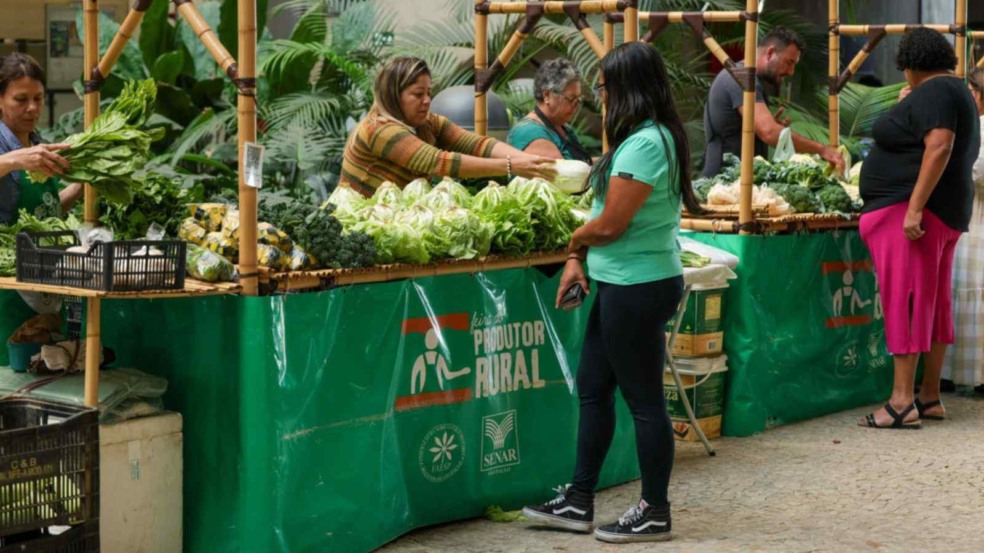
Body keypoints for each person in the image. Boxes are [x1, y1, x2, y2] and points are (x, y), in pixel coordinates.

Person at [521, 41, 703, 544]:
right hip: (621, 282)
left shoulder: (647, 143)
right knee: (594, 389)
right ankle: (579, 499)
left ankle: (655, 511)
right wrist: (579, 259)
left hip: (639, 287)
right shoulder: (641, 137)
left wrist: (576, 243)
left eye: (603, 87)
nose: (599, 96)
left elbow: (611, 224)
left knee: (644, 403)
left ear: (627, 88)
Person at [857, 28, 980, 428]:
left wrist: (913, 209)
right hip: (943, 213)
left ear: (909, 65)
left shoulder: (936, 92)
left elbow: (939, 145)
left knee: (906, 300)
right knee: (932, 301)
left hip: (911, 214)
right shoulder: (954, 89)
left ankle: (900, 403)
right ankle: (928, 397)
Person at [339, 56, 555, 196]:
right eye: (417, 94)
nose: (426, 100)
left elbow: (478, 144)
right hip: (354, 230)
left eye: (428, 93)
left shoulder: (428, 123)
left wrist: (533, 162)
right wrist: (511, 167)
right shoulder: (378, 129)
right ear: (393, 95)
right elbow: (438, 162)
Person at [702, 26, 845, 177]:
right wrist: (822, 149)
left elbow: (756, 129)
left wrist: (772, 125)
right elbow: (769, 133)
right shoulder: (741, 79)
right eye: (789, 62)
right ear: (770, 53)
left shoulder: (749, 78)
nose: (791, 72)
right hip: (723, 182)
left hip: (737, 177)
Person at [940, 67, 984, 390]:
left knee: (966, 290)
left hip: (975, 218)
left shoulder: (978, 127)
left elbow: (975, 173)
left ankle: (948, 374)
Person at [0, 53, 80, 225]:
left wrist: (83, 187)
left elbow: (48, 210)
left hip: (44, 249)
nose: (32, 108)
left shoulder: (38, 143)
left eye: (38, 98)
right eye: (21, 99)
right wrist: (13, 160)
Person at [507, 58, 592, 163]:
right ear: (547, 95)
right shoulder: (530, 132)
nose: (576, 105)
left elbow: (581, 163)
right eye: (571, 99)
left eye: (578, 99)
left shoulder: (562, 127)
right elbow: (563, 174)